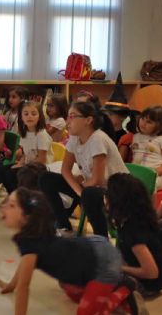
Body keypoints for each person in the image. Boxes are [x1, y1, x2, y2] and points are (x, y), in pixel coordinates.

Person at [0, 188, 138, 315]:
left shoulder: (32, 243)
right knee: (70, 288)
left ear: (26, 217)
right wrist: (11, 285)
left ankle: (125, 286)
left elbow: (24, 286)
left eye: (12, 205)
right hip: (91, 251)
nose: (4, 207)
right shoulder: (30, 238)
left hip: (104, 261)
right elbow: (24, 266)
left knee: (86, 312)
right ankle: (107, 289)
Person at [39, 101, 128, 236]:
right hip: (89, 188)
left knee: (90, 193)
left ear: (88, 120)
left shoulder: (97, 138)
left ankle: (101, 238)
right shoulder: (74, 138)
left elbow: (98, 180)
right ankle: (63, 223)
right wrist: (79, 190)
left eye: (73, 116)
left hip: (113, 190)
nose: (68, 121)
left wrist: (82, 189)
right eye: (68, 116)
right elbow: (65, 170)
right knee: (46, 178)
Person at [106, 173, 162, 298]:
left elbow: (151, 272)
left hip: (145, 285)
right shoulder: (139, 218)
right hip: (143, 276)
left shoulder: (133, 231)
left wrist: (121, 268)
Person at [0, 100, 52, 194]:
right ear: (21, 117)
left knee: (12, 173)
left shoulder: (41, 134)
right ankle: (14, 196)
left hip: (40, 167)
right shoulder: (25, 133)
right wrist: (20, 163)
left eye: (33, 114)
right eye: (26, 114)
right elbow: (25, 154)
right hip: (29, 164)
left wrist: (24, 166)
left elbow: (42, 159)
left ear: (40, 116)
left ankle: (19, 198)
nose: (29, 116)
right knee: (3, 169)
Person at [131, 106, 162, 191]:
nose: (143, 123)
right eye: (142, 118)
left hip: (156, 176)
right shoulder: (135, 137)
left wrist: (153, 173)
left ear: (160, 126)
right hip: (136, 174)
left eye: (149, 122)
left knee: (140, 186)